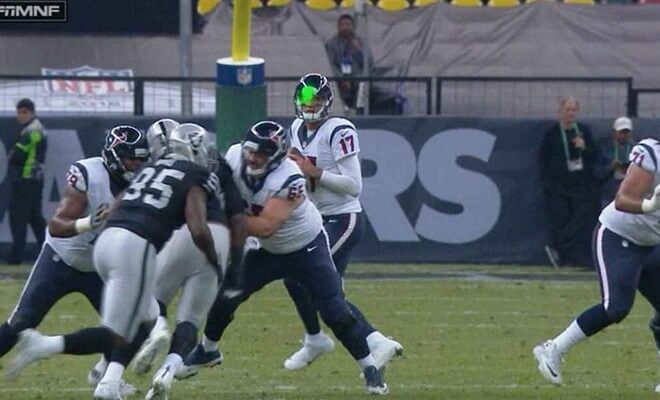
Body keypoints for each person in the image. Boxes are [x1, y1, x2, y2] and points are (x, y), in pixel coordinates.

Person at [6, 125, 222, 400]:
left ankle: (105, 375)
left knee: (132, 326)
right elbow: (56, 226)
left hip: (100, 266)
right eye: (130, 158)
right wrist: (88, 222)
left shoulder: (147, 177)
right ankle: (92, 369)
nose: (136, 164)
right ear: (113, 155)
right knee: (20, 324)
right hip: (62, 258)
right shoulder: (90, 173)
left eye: (140, 158)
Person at [176, 120, 389, 395]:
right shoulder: (234, 156)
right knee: (226, 295)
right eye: (250, 151)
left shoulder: (290, 178)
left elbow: (266, 226)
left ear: (276, 157)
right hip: (266, 250)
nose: (252, 157)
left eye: (261, 154)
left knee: (334, 311)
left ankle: (370, 367)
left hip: (304, 249)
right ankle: (208, 350)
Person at [283, 72, 402, 371]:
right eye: (305, 99)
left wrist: (316, 172)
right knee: (328, 293)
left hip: (342, 217)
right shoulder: (296, 128)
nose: (310, 106)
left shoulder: (339, 129)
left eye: (316, 100)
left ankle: (318, 339)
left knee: (305, 277)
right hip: (314, 218)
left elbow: (354, 185)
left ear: (328, 102)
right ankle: (375, 345)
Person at [533, 136, 660, 388]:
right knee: (616, 307)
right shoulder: (653, 155)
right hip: (618, 236)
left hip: (651, 242)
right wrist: (650, 205)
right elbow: (623, 199)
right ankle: (554, 349)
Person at [132, 123, 247, 400]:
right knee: (191, 321)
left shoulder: (168, 166)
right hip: (218, 238)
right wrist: (234, 266)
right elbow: (238, 216)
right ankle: (168, 372)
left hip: (182, 234)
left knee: (151, 299)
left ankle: (158, 330)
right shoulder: (218, 164)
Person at [540, 96, 598, 268]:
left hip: (579, 184)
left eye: (574, 110)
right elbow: (543, 159)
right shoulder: (552, 134)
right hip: (558, 185)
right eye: (567, 110)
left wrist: (584, 147)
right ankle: (560, 255)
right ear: (560, 112)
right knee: (561, 219)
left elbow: (594, 156)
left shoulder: (583, 131)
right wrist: (548, 183)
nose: (570, 113)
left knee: (579, 220)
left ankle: (568, 255)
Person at [5, 98, 48, 264]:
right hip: (35, 179)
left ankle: (15, 257)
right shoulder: (36, 129)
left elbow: (16, 155)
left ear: (32, 113)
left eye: (24, 112)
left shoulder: (32, 131)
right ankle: (48, 250)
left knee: (19, 218)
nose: (21, 116)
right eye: (19, 112)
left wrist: (12, 151)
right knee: (35, 218)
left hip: (25, 180)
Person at [325, 14, 373, 112]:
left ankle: (360, 111)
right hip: (339, 79)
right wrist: (341, 79)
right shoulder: (331, 44)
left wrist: (358, 50)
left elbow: (369, 63)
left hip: (358, 77)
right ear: (338, 27)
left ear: (353, 26)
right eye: (342, 25)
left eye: (348, 24)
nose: (345, 27)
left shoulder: (361, 42)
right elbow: (330, 64)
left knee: (363, 85)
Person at [594, 117, 634, 208]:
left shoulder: (636, 149)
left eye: (626, 132)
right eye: (621, 132)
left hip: (630, 192)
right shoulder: (604, 148)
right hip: (610, 192)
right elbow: (597, 173)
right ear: (614, 132)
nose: (624, 135)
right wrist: (610, 167)